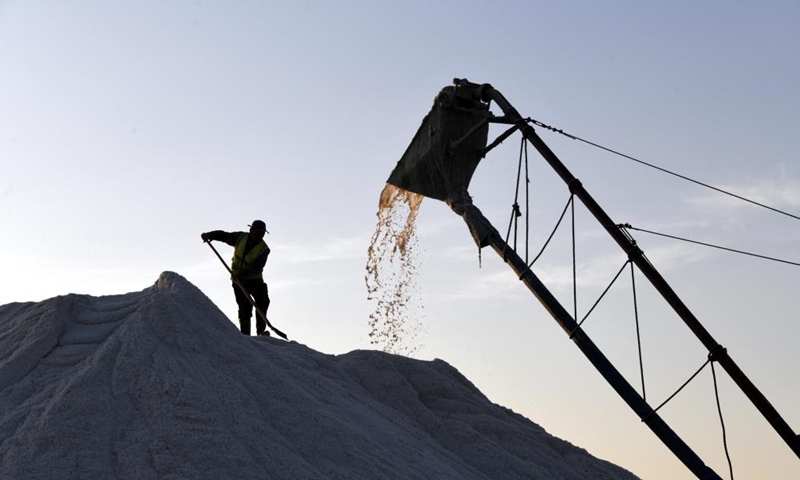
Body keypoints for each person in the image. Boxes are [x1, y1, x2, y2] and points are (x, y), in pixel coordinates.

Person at [201, 220, 271, 336]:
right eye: (257, 232)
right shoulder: (240, 238)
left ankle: (261, 332)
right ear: (251, 230)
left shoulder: (264, 249)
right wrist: (210, 235)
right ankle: (245, 335)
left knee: (262, 302)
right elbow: (225, 236)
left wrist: (240, 274)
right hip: (239, 281)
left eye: (262, 233)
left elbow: (256, 267)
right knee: (244, 307)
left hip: (255, 280)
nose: (260, 235)